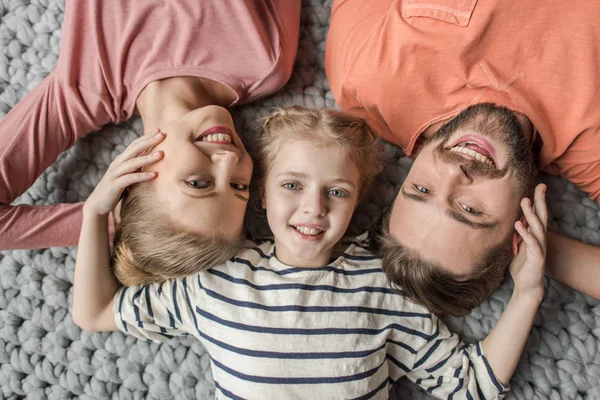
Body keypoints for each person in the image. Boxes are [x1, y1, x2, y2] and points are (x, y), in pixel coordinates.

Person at [73, 106, 548, 399]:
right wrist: (95, 213)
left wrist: (527, 294)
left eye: (337, 193)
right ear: (261, 194)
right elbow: (93, 312)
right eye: (292, 186)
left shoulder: (384, 286)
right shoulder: (214, 283)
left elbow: (473, 386)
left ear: (359, 201)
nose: (313, 209)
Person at [325, 0, 600, 315]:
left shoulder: (365, 81)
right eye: (469, 209)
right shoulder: (588, 146)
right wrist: (534, 247)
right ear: (518, 227)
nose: (455, 174)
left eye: (422, 189)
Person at [0, 0, 300, 280]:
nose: (230, 160)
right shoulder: (264, 63)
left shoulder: (86, 89)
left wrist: (102, 215)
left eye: (198, 183)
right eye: (238, 186)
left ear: (132, 182)